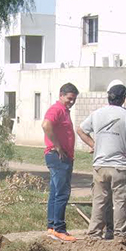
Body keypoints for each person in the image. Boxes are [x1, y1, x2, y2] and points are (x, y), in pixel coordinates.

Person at [76, 80, 126, 239]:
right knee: (120, 201)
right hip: (120, 167)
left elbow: (80, 130)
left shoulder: (97, 113)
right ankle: (120, 235)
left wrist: (95, 145)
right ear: (123, 99)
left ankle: (94, 234)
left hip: (100, 165)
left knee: (99, 201)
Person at [42, 83, 80, 242]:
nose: (71, 102)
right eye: (69, 99)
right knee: (62, 193)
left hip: (60, 156)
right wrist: (58, 147)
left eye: (74, 99)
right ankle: (59, 228)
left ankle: (52, 227)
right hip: (58, 157)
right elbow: (46, 125)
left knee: (55, 192)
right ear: (61, 95)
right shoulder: (56, 109)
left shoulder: (64, 111)